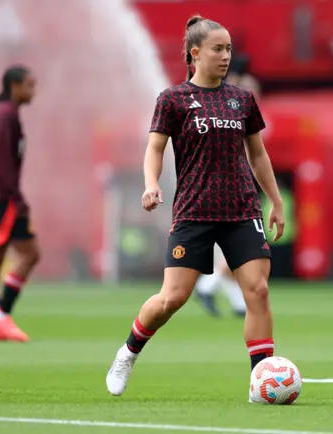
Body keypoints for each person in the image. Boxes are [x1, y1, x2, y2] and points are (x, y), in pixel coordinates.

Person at [106, 15, 285, 397]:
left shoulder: (242, 99)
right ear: (195, 53)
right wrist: (151, 185)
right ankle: (128, 351)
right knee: (173, 298)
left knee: (258, 291)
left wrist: (275, 201)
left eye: (229, 49)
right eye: (218, 49)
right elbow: (154, 148)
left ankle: (260, 381)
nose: (226, 56)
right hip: (194, 212)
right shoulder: (172, 99)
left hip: (241, 210)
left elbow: (258, 154)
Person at [0, 65, 40, 343]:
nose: (32, 91)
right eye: (29, 85)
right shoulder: (5, 117)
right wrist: (18, 199)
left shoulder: (3, 113)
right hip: (2, 199)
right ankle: (0, 315)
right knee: (30, 254)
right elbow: (4, 165)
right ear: (14, 86)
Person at [194, 56, 262, 318]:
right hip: (233, 181)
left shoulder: (222, 95)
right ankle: (206, 286)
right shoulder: (240, 94)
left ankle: (238, 305)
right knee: (239, 245)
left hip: (230, 177)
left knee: (232, 247)